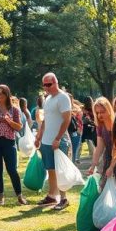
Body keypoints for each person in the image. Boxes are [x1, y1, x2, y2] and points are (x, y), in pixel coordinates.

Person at [0, 84, 27, 206]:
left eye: (0, 93)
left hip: (9, 141)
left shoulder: (14, 110)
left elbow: (19, 127)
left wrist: (9, 120)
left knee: (12, 169)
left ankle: (19, 195)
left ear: (7, 94)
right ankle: (1, 196)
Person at [34, 73, 73, 210]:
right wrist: (39, 136)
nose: (46, 87)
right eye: (44, 84)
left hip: (59, 140)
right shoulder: (48, 98)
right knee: (50, 169)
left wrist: (58, 138)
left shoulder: (63, 97)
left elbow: (67, 119)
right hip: (46, 140)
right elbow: (46, 119)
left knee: (60, 170)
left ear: (56, 82)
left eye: (49, 84)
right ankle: (52, 195)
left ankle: (64, 198)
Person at [67, 100, 83, 164]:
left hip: (74, 131)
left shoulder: (75, 109)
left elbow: (79, 120)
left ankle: (72, 168)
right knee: (72, 152)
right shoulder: (75, 109)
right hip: (74, 132)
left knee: (72, 152)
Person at [81, 96, 96, 160]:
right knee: (90, 140)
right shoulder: (94, 108)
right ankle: (93, 153)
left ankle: (92, 153)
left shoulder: (83, 108)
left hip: (85, 126)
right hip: (92, 126)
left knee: (86, 141)